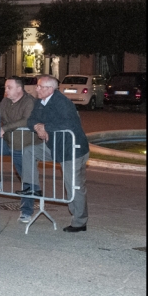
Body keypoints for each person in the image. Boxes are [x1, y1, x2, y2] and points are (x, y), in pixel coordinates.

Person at [21, 75, 90, 233]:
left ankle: (80, 222)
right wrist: (38, 126)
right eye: (38, 86)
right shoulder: (40, 101)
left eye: (40, 86)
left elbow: (69, 123)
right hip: (54, 145)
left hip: (71, 149)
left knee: (74, 186)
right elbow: (31, 120)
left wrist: (46, 127)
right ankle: (32, 187)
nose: (37, 89)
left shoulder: (62, 102)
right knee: (29, 150)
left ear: (50, 89)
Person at [0, 76, 42, 223]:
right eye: (5, 87)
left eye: (9, 87)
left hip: (23, 146)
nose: (5, 90)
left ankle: (26, 211)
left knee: (27, 179)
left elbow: (26, 120)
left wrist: (4, 128)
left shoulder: (29, 102)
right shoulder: (5, 101)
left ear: (19, 89)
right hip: (8, 142)